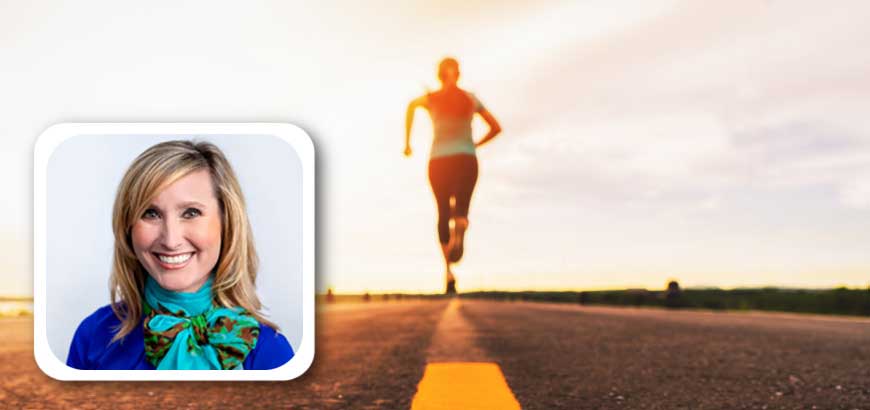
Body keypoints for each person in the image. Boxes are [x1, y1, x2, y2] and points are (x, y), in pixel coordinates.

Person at [67, 140, 294, 370]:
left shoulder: (270, 352)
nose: (171, 240)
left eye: (191, 212)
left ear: (227, 222)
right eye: (150, 213)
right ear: (127, 227)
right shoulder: (93, 336)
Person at [404, 57, 502, 294]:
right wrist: (475, 144)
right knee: (461, 210)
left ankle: (448, 271)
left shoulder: (431, 99)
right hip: (466, 158)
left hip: (438, 160)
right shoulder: (470, 99)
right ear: (458, 74)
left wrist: (407, 143)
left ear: (440, 75)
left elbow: (410, 106)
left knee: (442, 212)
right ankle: (461, 225)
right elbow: (496, 127)